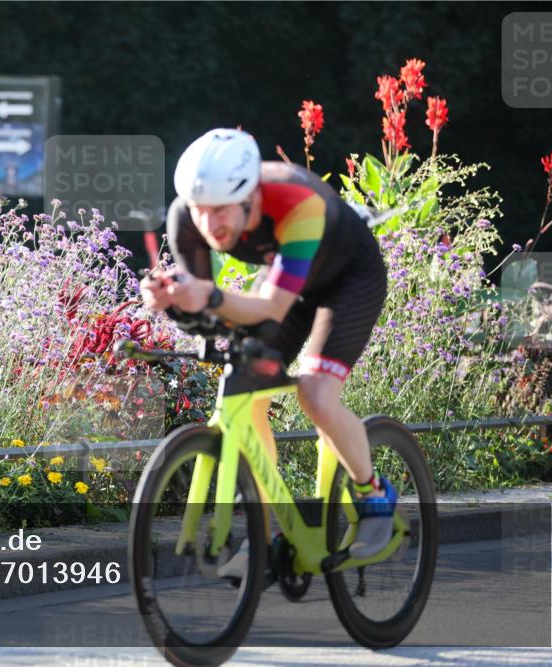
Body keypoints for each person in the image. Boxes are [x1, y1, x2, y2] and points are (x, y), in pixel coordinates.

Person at [140, 128, 397, 562]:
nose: (209, 224)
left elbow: (271, 307)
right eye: (200, 211)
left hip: (348, 280)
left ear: (249, 198)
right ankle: (263, 534)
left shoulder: (296, 203)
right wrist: (170, 302)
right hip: (290, 281)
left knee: (316, 394)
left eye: (221, 211)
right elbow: (206, 317)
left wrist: (208, 297)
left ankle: (373, 494)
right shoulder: (186, 217)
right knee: (244, 387)